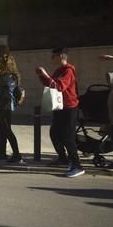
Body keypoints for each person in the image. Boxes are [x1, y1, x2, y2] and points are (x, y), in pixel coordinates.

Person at [36, 47, 84, 177]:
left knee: (68, 137)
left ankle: (77, 165)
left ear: (61, 56)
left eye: (54, 56)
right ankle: (63, 158)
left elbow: (60, 86)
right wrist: (41, 76)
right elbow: (50, 84)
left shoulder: (68, 70)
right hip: (60, 106)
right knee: (55, 133)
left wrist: (45, 75)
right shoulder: (59, 70)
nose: (52, 58)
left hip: (70, 107)